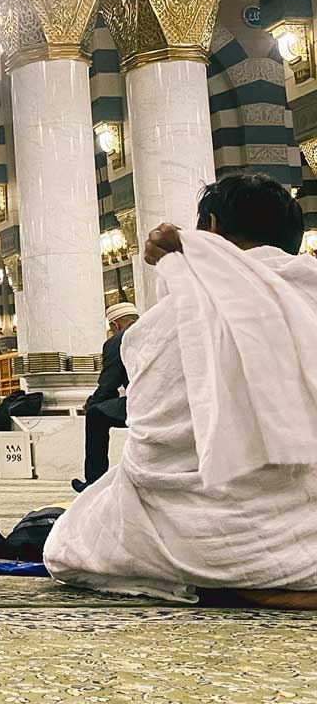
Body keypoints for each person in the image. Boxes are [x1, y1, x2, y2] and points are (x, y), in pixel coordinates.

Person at [45, 175, 317, 607]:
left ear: (211, 226)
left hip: (207, 545)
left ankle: (249, 576)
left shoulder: (164, 325)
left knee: (70, 541)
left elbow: (151, 456)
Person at [70, 302, 139, 493]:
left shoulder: (119, 340)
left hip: (144, 403)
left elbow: (109, 384)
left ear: (115, 325)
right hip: (175, 400)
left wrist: (91, 403)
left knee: (96, 415)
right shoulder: (154, 331)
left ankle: (94, 482)